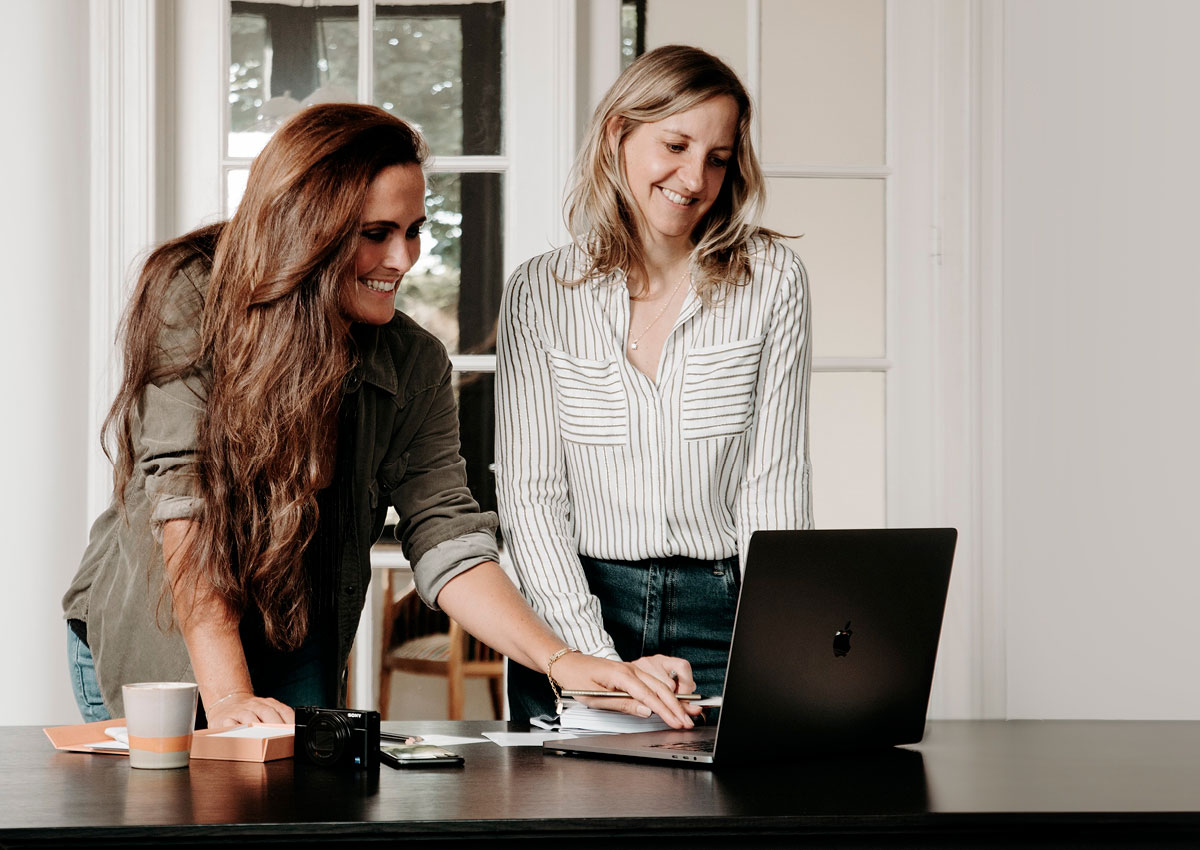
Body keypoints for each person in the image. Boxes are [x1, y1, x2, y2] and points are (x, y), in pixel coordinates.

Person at [62, 103, 698, 730]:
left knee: (294, 798)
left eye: (414, 230)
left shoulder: (415, 363)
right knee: (186, 797)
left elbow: (448, 536)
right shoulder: (192, 296)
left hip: (294, 626)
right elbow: (187, 505)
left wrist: (567, 662)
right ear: (306, 227)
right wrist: (228, 697)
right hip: (167, 630)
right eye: (376, 234)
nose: (403, 258)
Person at [496, 45, 813, 722]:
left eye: (718, 158)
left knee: (737, 794)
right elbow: (531, 497)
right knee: (564, 794)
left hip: (723, 613)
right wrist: (593, 658)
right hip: (569, 605)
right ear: (618, 133)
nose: (695, 179)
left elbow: (775, 487)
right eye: (675, 145)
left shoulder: (773, 280)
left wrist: (780, 645)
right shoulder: (539, 292)